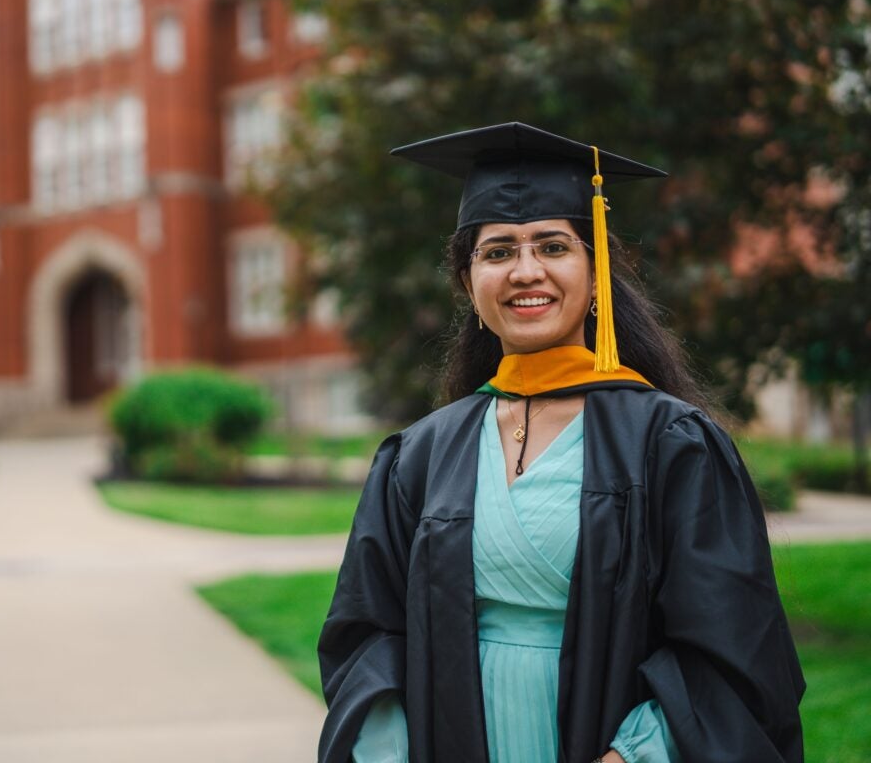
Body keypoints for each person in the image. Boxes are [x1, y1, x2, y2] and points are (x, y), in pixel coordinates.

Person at [316, 122, 805, 763]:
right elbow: (367, 634)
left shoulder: (670, 443)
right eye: (497, 253)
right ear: (469, 285)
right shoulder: (423, 453)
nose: (525, 271)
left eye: (552, 246)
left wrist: (631, 757)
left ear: (597, 274)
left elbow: (732, 643)